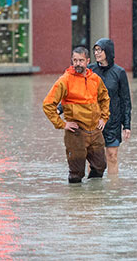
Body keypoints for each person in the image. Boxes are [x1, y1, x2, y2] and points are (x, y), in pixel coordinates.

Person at [43, 46, 110, 183]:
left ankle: (94, 199)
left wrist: (104, 118)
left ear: (87, 61)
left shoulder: (95, 79)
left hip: (95, 131)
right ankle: (76, 201)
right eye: (75, 60)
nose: (77, 64)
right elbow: (48, 104)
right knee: (76, 173)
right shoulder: (65, 80)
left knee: (100, 166)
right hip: (76, 131)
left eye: (81, 60)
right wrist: (62, 124)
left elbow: (105, 99)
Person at [88, 38, 132, 175]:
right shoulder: (90, 71)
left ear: (107, 51)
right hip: (93, 121)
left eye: (99, 50)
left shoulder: (119, 73)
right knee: (93, 158)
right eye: (95, 50)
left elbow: (125, 100)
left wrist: (127, 125)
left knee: (112, 156)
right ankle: (93, 190)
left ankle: (113, 190)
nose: (96, 53)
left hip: (113, 121)